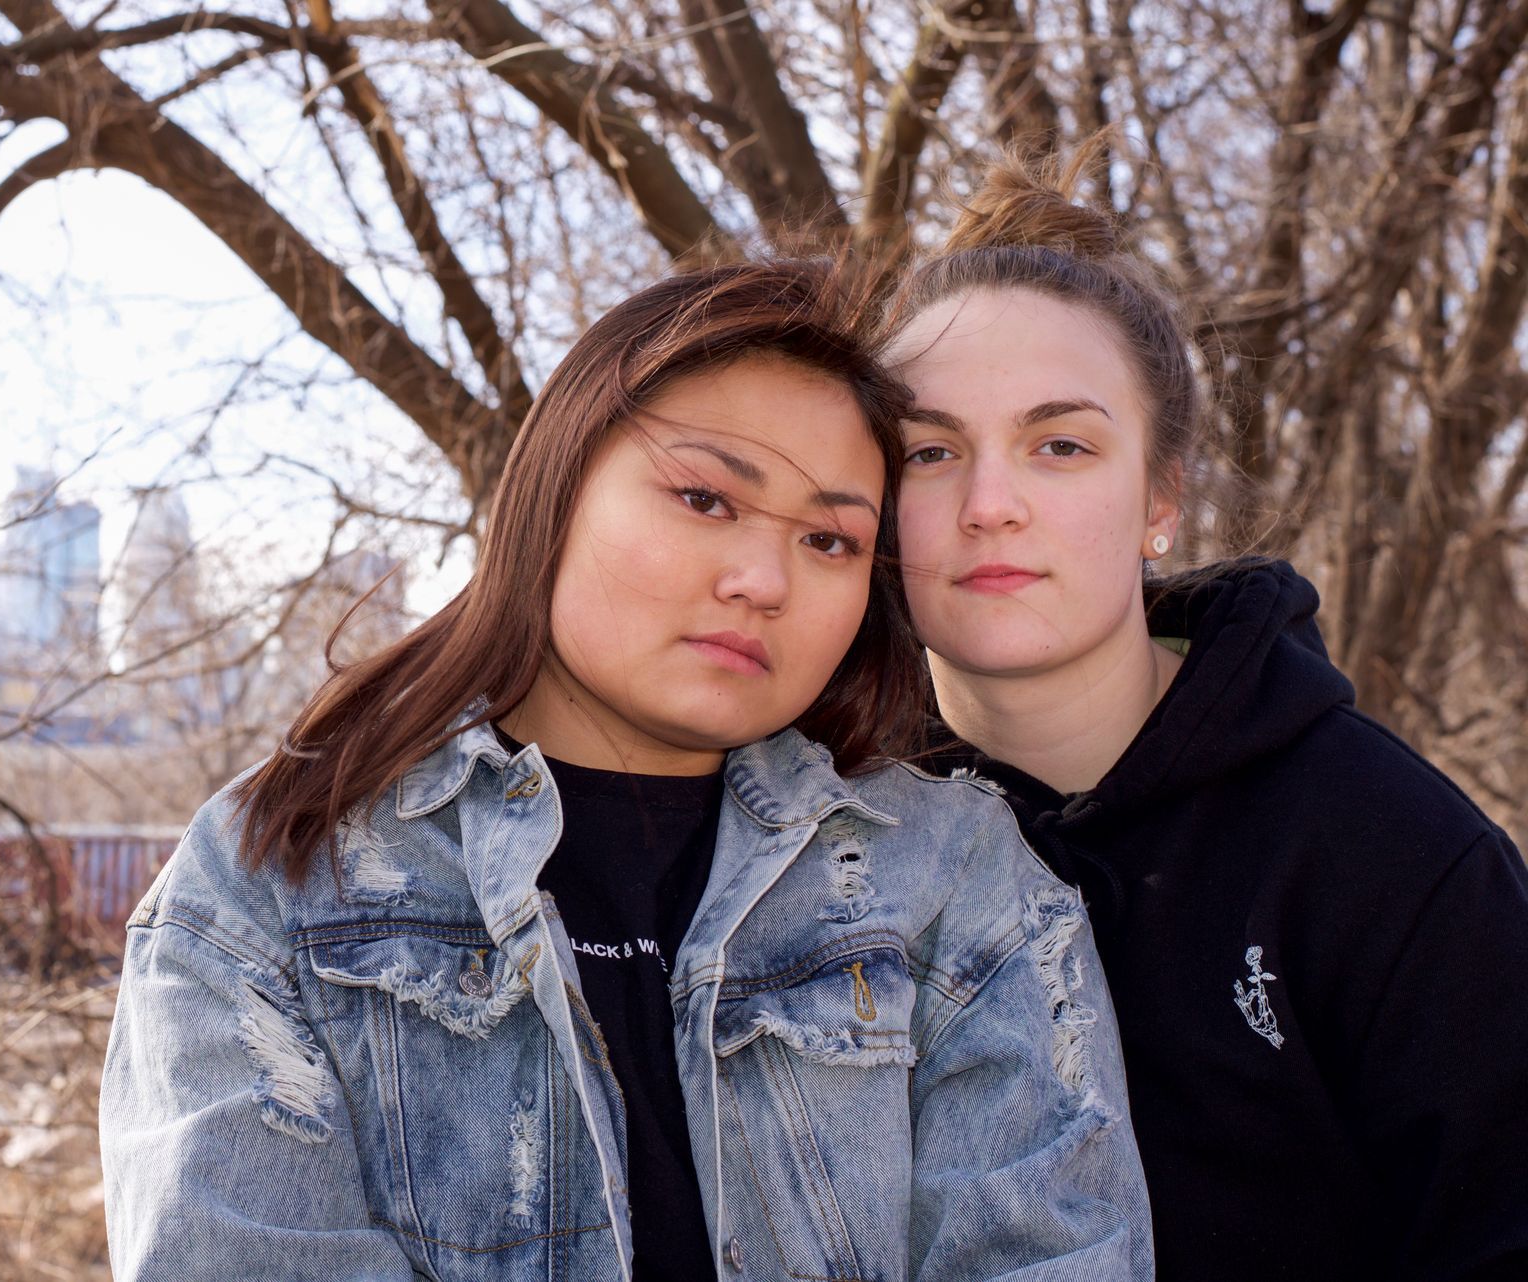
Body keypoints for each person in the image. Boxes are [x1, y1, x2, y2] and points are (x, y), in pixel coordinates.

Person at [100, 261, 1153, 1281]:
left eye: (830, 541)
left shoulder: (952, 884)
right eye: (704, 499)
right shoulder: (271, 884)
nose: (760, 580)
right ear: (557, 488)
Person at [882, 138, 1528, 1281]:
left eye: (1061, 444)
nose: (991, 505)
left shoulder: (1392, 860)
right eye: (930, 452)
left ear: (1162, 500)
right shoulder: (798, 840)